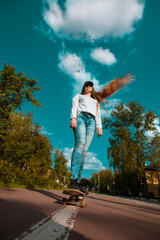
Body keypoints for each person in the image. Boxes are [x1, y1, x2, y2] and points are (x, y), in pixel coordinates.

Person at [69, 73, 134, 193]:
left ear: (92, 88)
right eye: (86, 84)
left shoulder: (95, 101)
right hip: (81, 118)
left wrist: (99, 126)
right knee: (80, 145)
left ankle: (78, 182)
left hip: (92, 122)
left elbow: (97, 114)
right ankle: (73, 179)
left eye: (91, 85)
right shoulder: (78, 96)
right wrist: (73, 118)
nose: (89, 86)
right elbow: (74, 108)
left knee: (84, 152)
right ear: (84, 87)